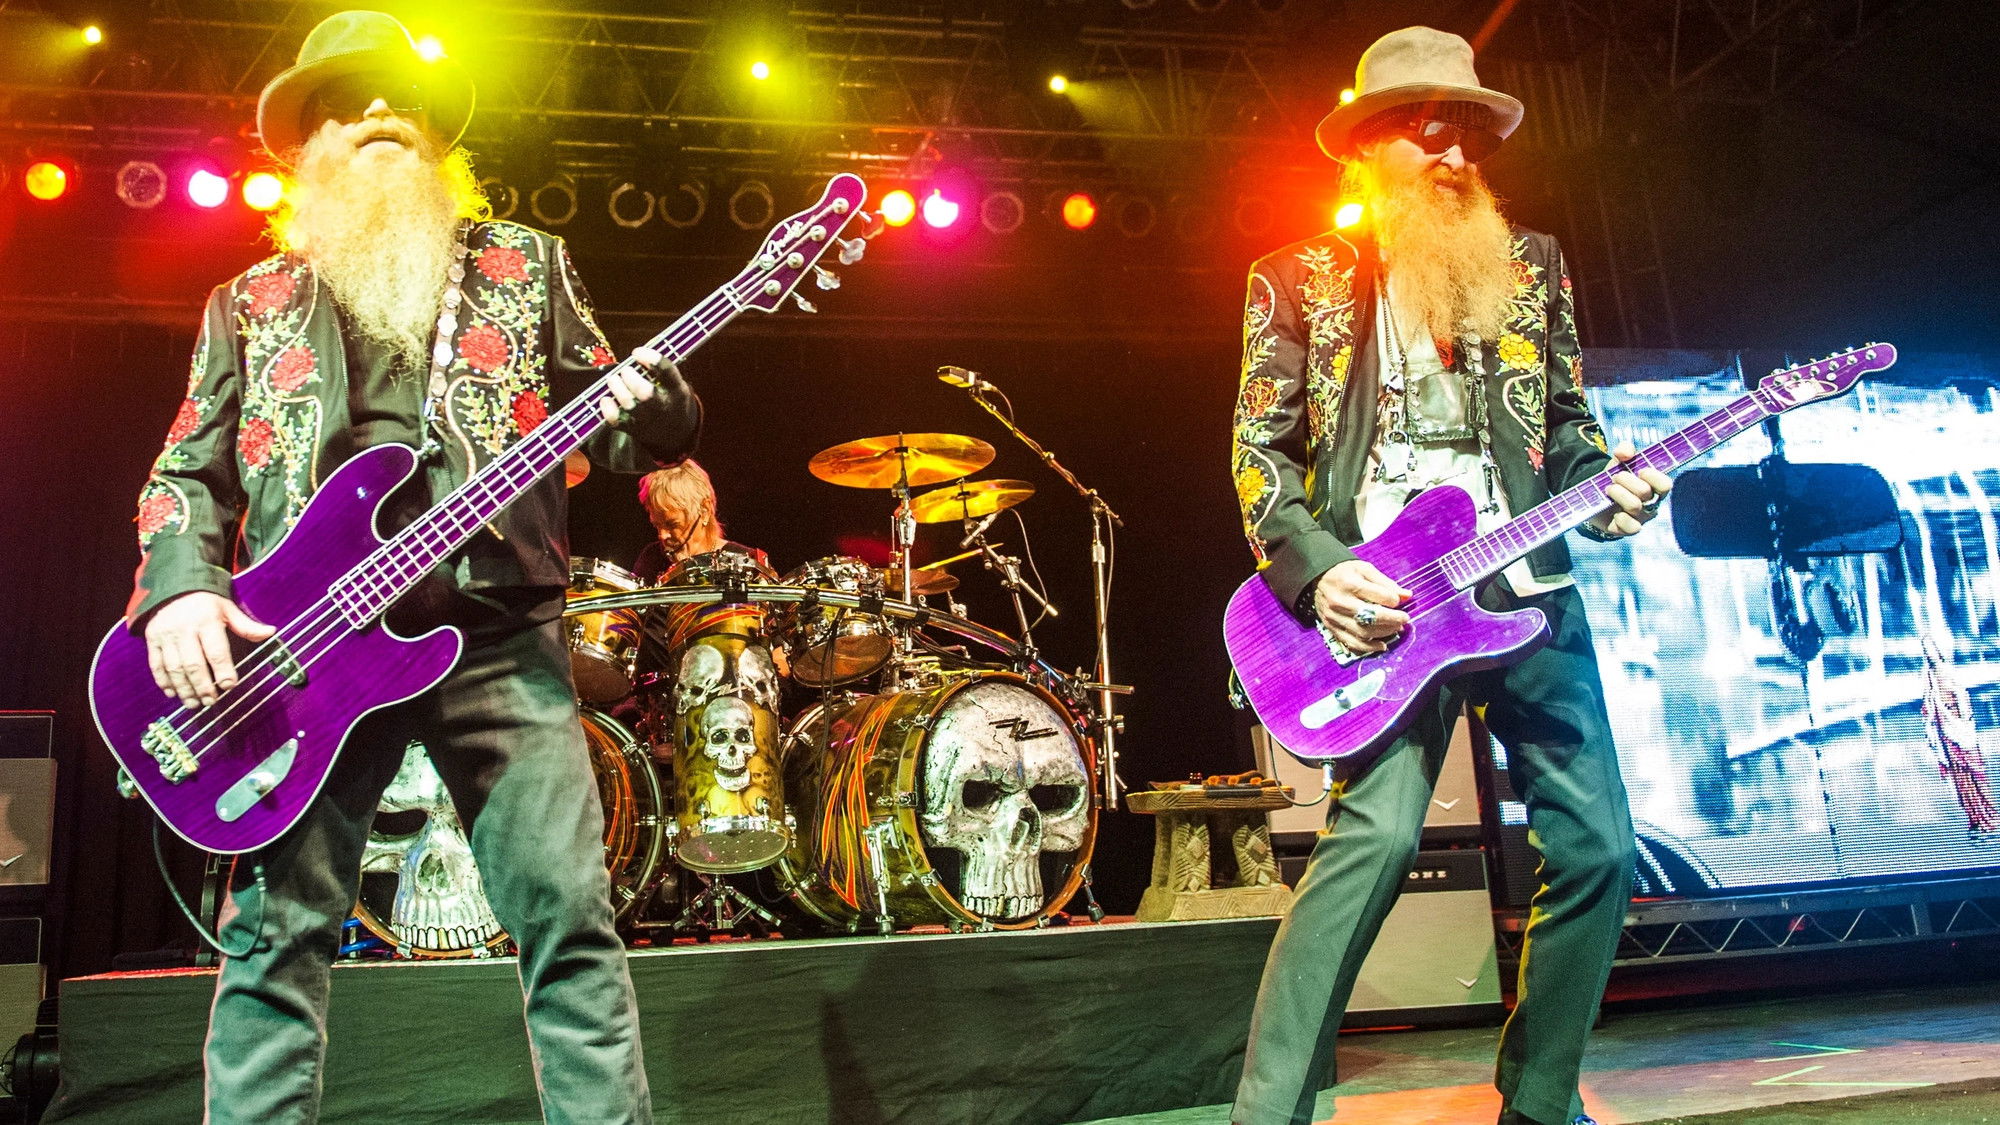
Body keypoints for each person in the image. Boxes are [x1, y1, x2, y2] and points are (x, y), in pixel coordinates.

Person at [121, 13, 696, 1123]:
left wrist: (659, 407)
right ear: (302, 149)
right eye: (343, 103)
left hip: (498, 638)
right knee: (275, 936)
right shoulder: (247, 304)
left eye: (399, 99)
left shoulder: (525, 265)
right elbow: (183, 474)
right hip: (304, 654)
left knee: (570, 921)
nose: (378, 114)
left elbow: (619, 421)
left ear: (439, 138)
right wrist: (182, 590)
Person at [1228, 27, 1673, 1125]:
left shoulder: (1531, 267)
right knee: (1372, 838)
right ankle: (1268, 1112)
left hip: (1526, 592)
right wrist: (1317, 575)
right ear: (1366, 150)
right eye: (1425, 131)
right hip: (1384, 610)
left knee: (1601, 847)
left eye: (1465, 133)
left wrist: (1613, 483)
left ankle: (1537, 1099)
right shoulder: (1296, 280)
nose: (1449, 154)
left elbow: (1565, 430)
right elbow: (1257, 456)